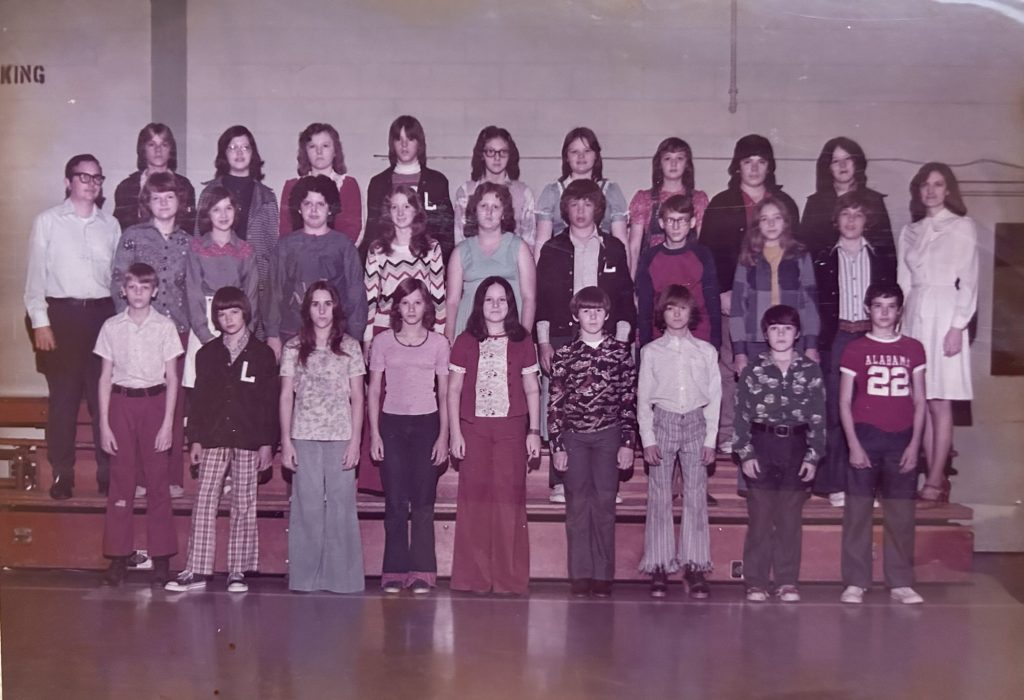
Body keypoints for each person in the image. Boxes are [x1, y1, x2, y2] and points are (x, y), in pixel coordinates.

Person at [165, 287, 277, 594]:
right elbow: (198, 401)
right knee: (204, 502)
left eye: (234, 312)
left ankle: (237, 570)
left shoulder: (262, 354)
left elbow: (268, 404)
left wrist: (267, 444)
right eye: (222, 313)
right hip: (213, 438)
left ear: (245, 313)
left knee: (243, 503)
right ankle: (197, 569)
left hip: (249, 439)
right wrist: (195, 440)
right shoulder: (207, 354)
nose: (228, 319)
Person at [24, 154, 120, 499]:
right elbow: (35, 280)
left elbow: (116, 280)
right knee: (63, 401)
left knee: (103, 401)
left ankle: (107, 475)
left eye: (97, 178)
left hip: (101, 318)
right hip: (60, 318)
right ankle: (62, 475)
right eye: (84, 177)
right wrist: (41, 323)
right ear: (68, 181)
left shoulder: (111, 225)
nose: (91, 183)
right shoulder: (47, 222)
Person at [536, 179, 635, 504]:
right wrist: (544, 341)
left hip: (604, 335)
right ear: (565, 209)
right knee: (562, 405)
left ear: (598, 209)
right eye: (575, 205)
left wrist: (620, 342)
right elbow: (543, 298)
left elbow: (623, 296)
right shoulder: (553, 248)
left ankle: (609, 483)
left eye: (587, 205)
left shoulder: (613, 247)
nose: (581, 211)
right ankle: (561, 480)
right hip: (565, 335)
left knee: (607, 404)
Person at [700, 134, 801, 453]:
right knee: (731, 367)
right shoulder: (721, 203)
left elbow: (796, 256)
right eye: (747, 162)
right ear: (737, 166)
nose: (754, 168)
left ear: (769, 166)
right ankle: (728, 432)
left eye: (760, 162)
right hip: (734, 300)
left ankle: (767, 431)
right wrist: (719, 294)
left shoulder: (785, 206)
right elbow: (709, 254)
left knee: (774, 368)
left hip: (776, 304)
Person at [448, 276, 541, 595]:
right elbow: (453, 390)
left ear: (510, 305)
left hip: (511, 430)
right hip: (473, 430)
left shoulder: (522, 340)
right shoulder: (464, 340)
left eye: (502, 299)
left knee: (507, 503)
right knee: (473, 503)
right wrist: (455, 433)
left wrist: (534, 430)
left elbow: (532, 387)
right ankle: (473, 577)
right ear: (480, 304)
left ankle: (508, 579)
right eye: (489, 299)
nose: (496, 305)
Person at [94, 263, 183, 586]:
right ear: (123, 290)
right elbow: (104, 378)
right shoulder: (111, 327)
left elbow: (173, 378)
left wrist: (167, 425)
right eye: (132, 287)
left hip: (155, 405)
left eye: (145, 288)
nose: (138, 293)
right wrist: (104, 425)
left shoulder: (165, 327)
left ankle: (161, 559)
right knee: (121, 482)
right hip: (121, 405)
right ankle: (118, 558)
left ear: (155, 291)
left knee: (158, 483)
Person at [838, 284, 927, 605]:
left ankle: (901, 580)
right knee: (858, 513)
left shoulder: (914, 348)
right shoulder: (855, 349)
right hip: (865, 436)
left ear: (900, 310)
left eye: (891, 306)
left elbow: (920, 400)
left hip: (901, 438)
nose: (885, 312)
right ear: (868, 310)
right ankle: (856, 581)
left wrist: (915, 445)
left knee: (901, 514)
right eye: (878, 306)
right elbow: (845, 401)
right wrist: (853, 444)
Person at [548, 286, 637, 598]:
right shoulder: (564, 356)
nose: (592, 316)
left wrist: (627, 442)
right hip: (573, 438)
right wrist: (557, 446)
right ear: (576, 316)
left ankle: (602, 576)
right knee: (578, 506)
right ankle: (580, 575)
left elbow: (628, 400)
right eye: (586, 311)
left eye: (598, 310)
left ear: (607, 314)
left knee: (604, 505)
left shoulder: (620, 354)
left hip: (608, 436)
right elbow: (555, 404)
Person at [897, 163, 978, 503]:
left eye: (938, 184)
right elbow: (903, 282)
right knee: (921, 399)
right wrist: (899, 326)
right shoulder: (910, 231)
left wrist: (958, 326)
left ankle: (934, 479)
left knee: (940, 400)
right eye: (924, 185)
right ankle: (934, 476)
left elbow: (969, 280)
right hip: (915, 313)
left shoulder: (962, 227)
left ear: (948, 190)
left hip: (945, 315)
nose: (930, 190)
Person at [279, 282, 367, 593]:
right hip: (304, 435)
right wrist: (286, 441)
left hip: (340, 436)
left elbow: (358, 397)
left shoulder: (351, 347)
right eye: (315, 304)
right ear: (307, 310)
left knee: (342, 506)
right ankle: (305, 579)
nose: (321, 310)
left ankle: (342, 579)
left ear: (336, 308)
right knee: (307, 507)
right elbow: (286, 396)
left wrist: (356, 441)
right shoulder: (292, 348)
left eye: (327, 304)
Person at [734, 305, 825, 603]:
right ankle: (756, 582)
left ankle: (787, 581)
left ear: (797, 333)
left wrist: (813, 457)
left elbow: (818, 417)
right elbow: (741, 415)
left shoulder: (809, 371)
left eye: (787, 328)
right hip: (762, 446)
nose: (781, 334)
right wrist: (746, 453)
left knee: (789, 519)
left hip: (796, 449)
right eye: (775, 328)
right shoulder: (754, 370)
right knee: (760, 519)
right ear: (765, 334)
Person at [110, 171, 191, 498]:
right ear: (147, 202)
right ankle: (142, 478)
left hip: (179, 331)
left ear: (179, 202)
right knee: (144, 407)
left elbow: (195, 287)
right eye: (156, 197)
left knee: (173, 405)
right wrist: (127, 327)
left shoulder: (189, 241)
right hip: (140, 330)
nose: (163, 203)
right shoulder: (133, 236)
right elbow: (118, 280)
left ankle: (171, 478)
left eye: (169, 196)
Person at [812, 190, 897, 505]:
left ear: (867, 221)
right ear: (836, 220)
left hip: (871, 338)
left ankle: (865, 486)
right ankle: (835, 485)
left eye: (857, 215)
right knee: (837, 411)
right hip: (838, 339)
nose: (851, 221)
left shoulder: (879, 258)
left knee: (870, 413)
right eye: (845, 214)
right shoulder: (823, 257)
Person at [637, 286, 721, 598]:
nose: (676, 314)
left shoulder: (706, 352)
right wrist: (647, 438)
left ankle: (695, 565)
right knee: (659, 496)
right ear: (663, 313)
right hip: (664, 422)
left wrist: (710, 439)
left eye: (682, 308)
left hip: (696, 424)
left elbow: (714, 398)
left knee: (696, 496)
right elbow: (643, 399)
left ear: (691, 313)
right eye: (670, 308)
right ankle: (659, 565)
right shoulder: (651, 352)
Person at [368, 278, 450, 594]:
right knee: (396, 500)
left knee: (423, 502)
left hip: (427, 424)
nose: (412, 308)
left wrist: (443, 436)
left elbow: (444, 394)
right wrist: (374, 434)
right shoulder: (383, 342)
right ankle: (394, 569)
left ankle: (423, 571)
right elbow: (374, 390)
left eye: (417, 302)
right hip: (392, 426)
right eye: (405, 303)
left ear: (427, 306)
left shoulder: (439, 343)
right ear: (396, 307)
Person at [266, 175, 367, 359]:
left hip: (336, 337)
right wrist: (272, 335)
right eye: (307, 203)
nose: (313, 210)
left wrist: (355, 337)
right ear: (298, 207)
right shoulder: (285, 246)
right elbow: (274, 293)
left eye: (320, 204)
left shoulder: (343, 246)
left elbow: (356, 295)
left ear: (330, 208)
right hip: (292, 334)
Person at [195, 125, 279, 337]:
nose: (240, 153)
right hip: (216, 282)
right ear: (224, 153)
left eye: (245, 147)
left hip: (254, 283)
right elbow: (199, 240)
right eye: (233, 147)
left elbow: (272, 248)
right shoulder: (209, 193)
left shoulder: (267, 197)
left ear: (253, 153)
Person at [731, 197, 820, 376]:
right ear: (758, 225)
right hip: (756, 341)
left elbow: (811, 304)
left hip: (794, 339)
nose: (771, 223)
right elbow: (737, 308)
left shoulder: (800, 255)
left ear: (785, 222)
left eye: (777, 218)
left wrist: (811, 345)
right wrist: (739, 352)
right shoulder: (747, 257)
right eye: (764, 219)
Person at [183, 186, 259, 386]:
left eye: (228, 208)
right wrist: (205, 335)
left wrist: (247, 333)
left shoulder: (246, 249)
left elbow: (251, 295)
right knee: (203, 385)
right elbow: (193, 292)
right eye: (216, 209)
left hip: (237, 317)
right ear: (208, 213)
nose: (223, 215)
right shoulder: (197, 247)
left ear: (236, 211)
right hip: (205, 320)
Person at [446, 181, 536, 341]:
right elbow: (452, 302)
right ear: (475, 211)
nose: (489, 212)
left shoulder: (518, 247)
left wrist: (524, 338)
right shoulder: (461, 251)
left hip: (510, 329)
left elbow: (529, 297)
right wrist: (450, 339)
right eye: (483, 206)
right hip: (468, 329)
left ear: (504, 213)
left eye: (495, 207)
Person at [364, 184, 446, 346]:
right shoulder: (377, 249)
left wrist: (440, 336)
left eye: (406, 206)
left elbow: (438, 298)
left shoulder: (432, 248)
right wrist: (367, 338)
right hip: (385, 328)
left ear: (416, 210)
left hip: (422, 329)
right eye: (395, 207)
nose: (400, 213)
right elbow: (369, 299)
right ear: (389, 212)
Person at [635, 193, 721, 349]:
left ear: (692, 223)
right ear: (661, 223)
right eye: (670, 220)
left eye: (682, 220)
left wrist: (715, 342)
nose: (676, 226)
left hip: (699, 338)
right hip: (661, 340)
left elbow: (713, 301)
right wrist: (646, 345)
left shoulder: (702, 255)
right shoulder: (650, 257)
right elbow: (645, 306)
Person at [364, 115, 455, 261]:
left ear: (419, 143)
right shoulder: (378, 183)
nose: (404, 145)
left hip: (427, 260)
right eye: (399, 139)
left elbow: (446, 232)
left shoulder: (437, 182)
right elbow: (372, 231)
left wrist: (442, 267)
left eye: (410, 139)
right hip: (387, 261)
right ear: (392, 144)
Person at [533, 127, 629, 258]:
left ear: (596, 155)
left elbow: (621, 241)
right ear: (566, 156)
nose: (581, 156)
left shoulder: (611, 191)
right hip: (562, 264)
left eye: (587, 150)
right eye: (574, 151)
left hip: (602, 264)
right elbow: (541, 242)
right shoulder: (552, 192)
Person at [628, 137, 710, 276]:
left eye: (679, 158)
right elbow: (634, 248)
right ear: (659, 164)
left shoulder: (698, 199)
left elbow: (704, 243)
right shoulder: (644, 199)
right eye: (667, 158)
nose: (673, 163)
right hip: (653, 272)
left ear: (687, 164)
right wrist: (631, 285)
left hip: (688, 272)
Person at [801, 137, 894, 257]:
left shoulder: (874, 201)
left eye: (848, 159)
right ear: (828, 167)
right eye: (835, 161)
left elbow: (887, 252)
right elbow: (805, 250)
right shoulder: (816, 204)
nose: (842, 165)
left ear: (857, 162)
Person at [453, 126, 537, 250]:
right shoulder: (466, 191)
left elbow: (529, 241)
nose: (497, 158)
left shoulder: (523, 193)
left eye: (503, 152)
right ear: (482, 154)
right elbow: (460, 240)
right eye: (491, 152)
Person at [279, 122, 362, 242]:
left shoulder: (348, 185)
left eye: (325, 146)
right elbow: (285, 230)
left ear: (335, 151)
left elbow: (352, 229)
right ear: (305, 152)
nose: (319, 151)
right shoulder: (292, 186)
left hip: (338, 256)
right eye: (312, 146)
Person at [113, 123, 197, 233]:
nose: (158, 150)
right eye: (152, 144)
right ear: (143, 149)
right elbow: (121, 229)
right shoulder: (126, 188)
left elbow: (190, 229)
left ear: (170, 149)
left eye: (164, 144)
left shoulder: (184, 186)